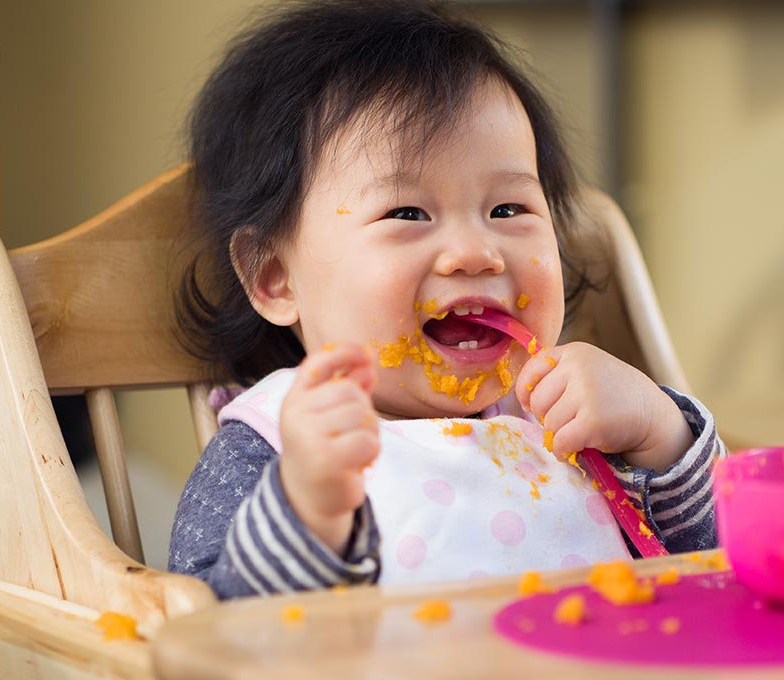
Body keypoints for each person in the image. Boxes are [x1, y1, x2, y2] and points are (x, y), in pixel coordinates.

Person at [170, 0, 724, 599]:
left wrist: (661, 434)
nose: (474, 252)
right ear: (275, 277)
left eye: (508, 209)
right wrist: (306, 514)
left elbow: (716, 569)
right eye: (407, 212)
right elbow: (211, 634)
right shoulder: (272, 443)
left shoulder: (567, 422)